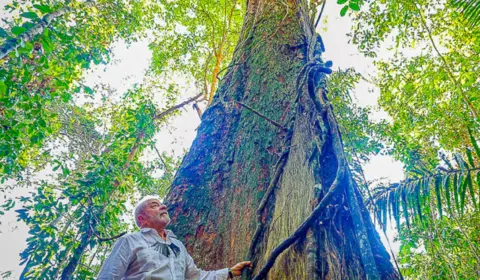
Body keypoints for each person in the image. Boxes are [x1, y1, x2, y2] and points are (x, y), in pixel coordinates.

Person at [97, 196, 251, 279]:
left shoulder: (177, 246)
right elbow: (108, 276)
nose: (163, 207)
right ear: (141, 219)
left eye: (162, 205)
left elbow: (195, 277)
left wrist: (229, 272)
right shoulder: (130, 241)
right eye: (154, 205)